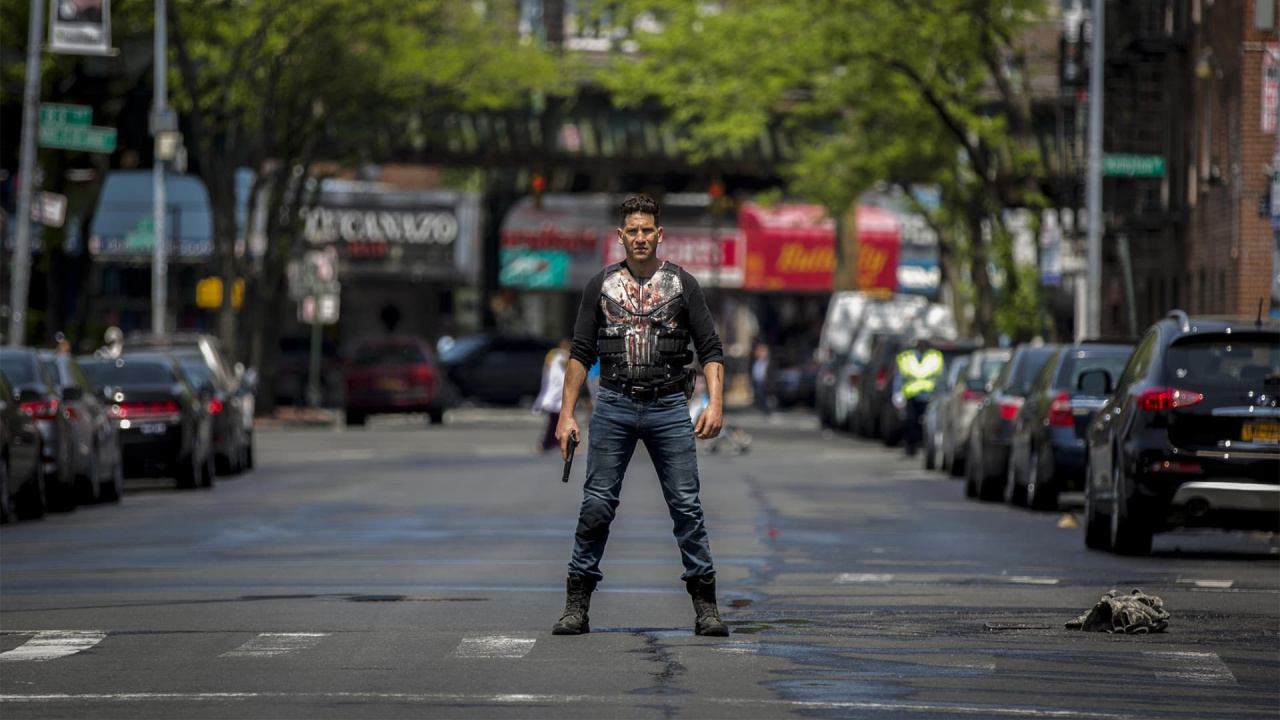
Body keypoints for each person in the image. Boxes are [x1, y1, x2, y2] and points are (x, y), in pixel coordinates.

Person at [551, 194, 729, 637]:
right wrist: (566, 415)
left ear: (659, 234)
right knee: (597, 505)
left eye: (648, 230)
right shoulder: (600, 286)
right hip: (613, 404)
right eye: (633, 230)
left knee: (687, 508)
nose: (640, 237)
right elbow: (579, 353)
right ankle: (577, 605)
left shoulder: (684, 285)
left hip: (670, 406)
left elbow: (710, 349)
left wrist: (716, 403)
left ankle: (706, 608)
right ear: (621, 236)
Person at [896, 333, 944, 458]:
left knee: (929, 423)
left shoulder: (935, 356)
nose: (921, 345)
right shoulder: (907, 356)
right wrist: (897, 393)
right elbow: (899, 377)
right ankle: (911, 448)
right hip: (912, 395)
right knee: (911, 423)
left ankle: (926, 447)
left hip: (930, 396)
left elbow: (941, 377)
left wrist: (940, 394)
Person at [534, 339, 572, 453]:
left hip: (559, 392)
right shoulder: (557, 354)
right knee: (554, 421)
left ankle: (551, 443)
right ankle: (547, 444)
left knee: (555, 421)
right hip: (555, 392)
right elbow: (557, 364)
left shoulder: (562, 355)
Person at [751, 343, 772, 415]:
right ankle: (760, 407)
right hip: (757, 381)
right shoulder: (754, 362)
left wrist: (769, 381)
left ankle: (766, 410)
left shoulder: (768, 362)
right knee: (758, 396)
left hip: (764, 382)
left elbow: (770, 373)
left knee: (765, 397)